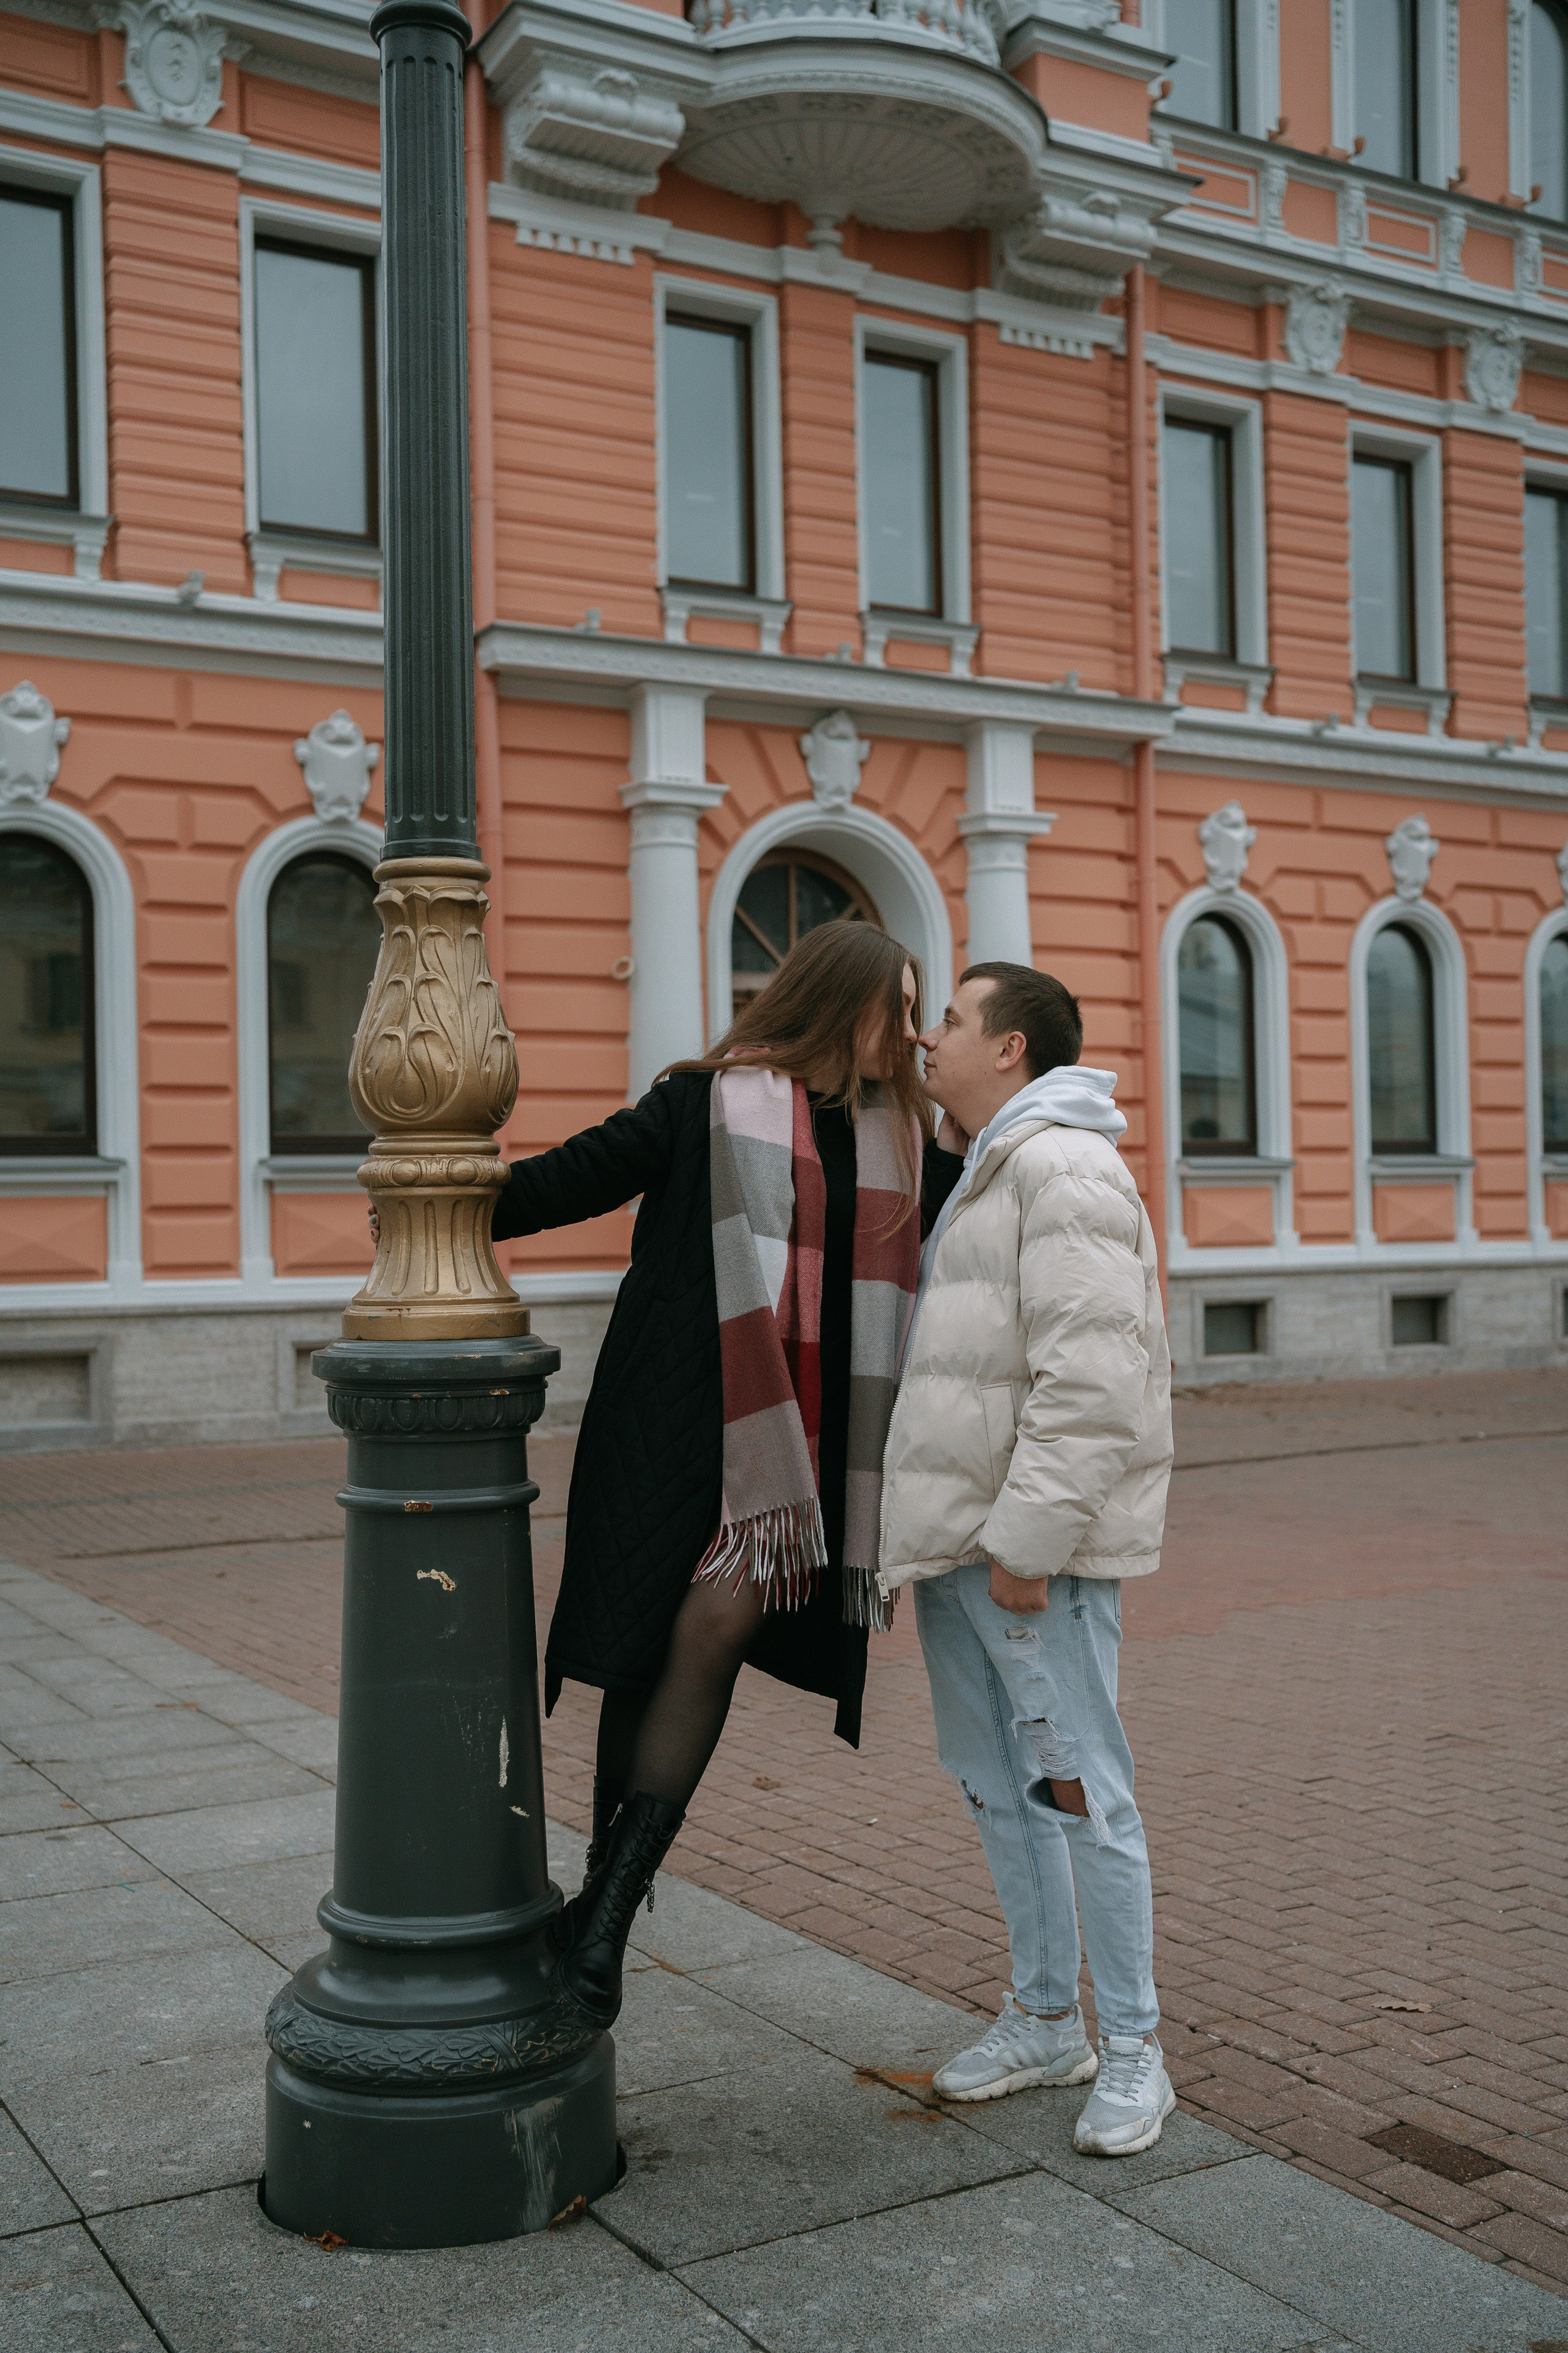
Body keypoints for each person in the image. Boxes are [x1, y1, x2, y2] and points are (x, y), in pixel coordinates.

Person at [490, 921, 957, 2030]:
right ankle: (595, 1931)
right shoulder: (706, 1101)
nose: (907, 1028)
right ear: (835, 1002)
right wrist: (434, 1199)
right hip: (675, 1427)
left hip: (795, 1466)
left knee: (711, 1626)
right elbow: (570, 1180)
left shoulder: (914, 1139)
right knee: (645, 1658)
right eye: (896, 1005)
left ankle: (598, 1924)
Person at [879, 962, 1175, 2156]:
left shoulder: (1062, 1166)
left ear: (1009, 1049)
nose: (930, 1034)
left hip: (1020, 1558)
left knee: (1082, 1792)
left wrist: (1024, 1548)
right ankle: (1047, 2019)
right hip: (963, 1548)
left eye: (950, 1018)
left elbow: (1093, 1379)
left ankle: (1137, 2051)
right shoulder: (990, 1167)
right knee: (998, 1786)